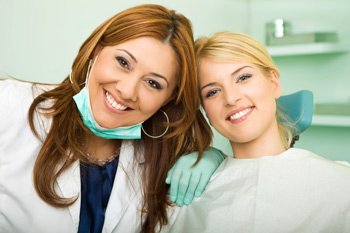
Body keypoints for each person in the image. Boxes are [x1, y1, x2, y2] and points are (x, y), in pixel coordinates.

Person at [0, 4, 225, 233]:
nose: (127, 91)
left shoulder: (163, 162)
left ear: (167, 100)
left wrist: (217, 161)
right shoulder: (9, 106)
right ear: (96, 50)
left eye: (153, 83)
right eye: (123, 62)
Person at [161, 31, 350, 233]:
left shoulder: (341, 185)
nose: (231, 98)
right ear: (205, 111)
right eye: (212, 92)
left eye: (243, 77)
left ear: (273, 83)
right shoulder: (185, 195)